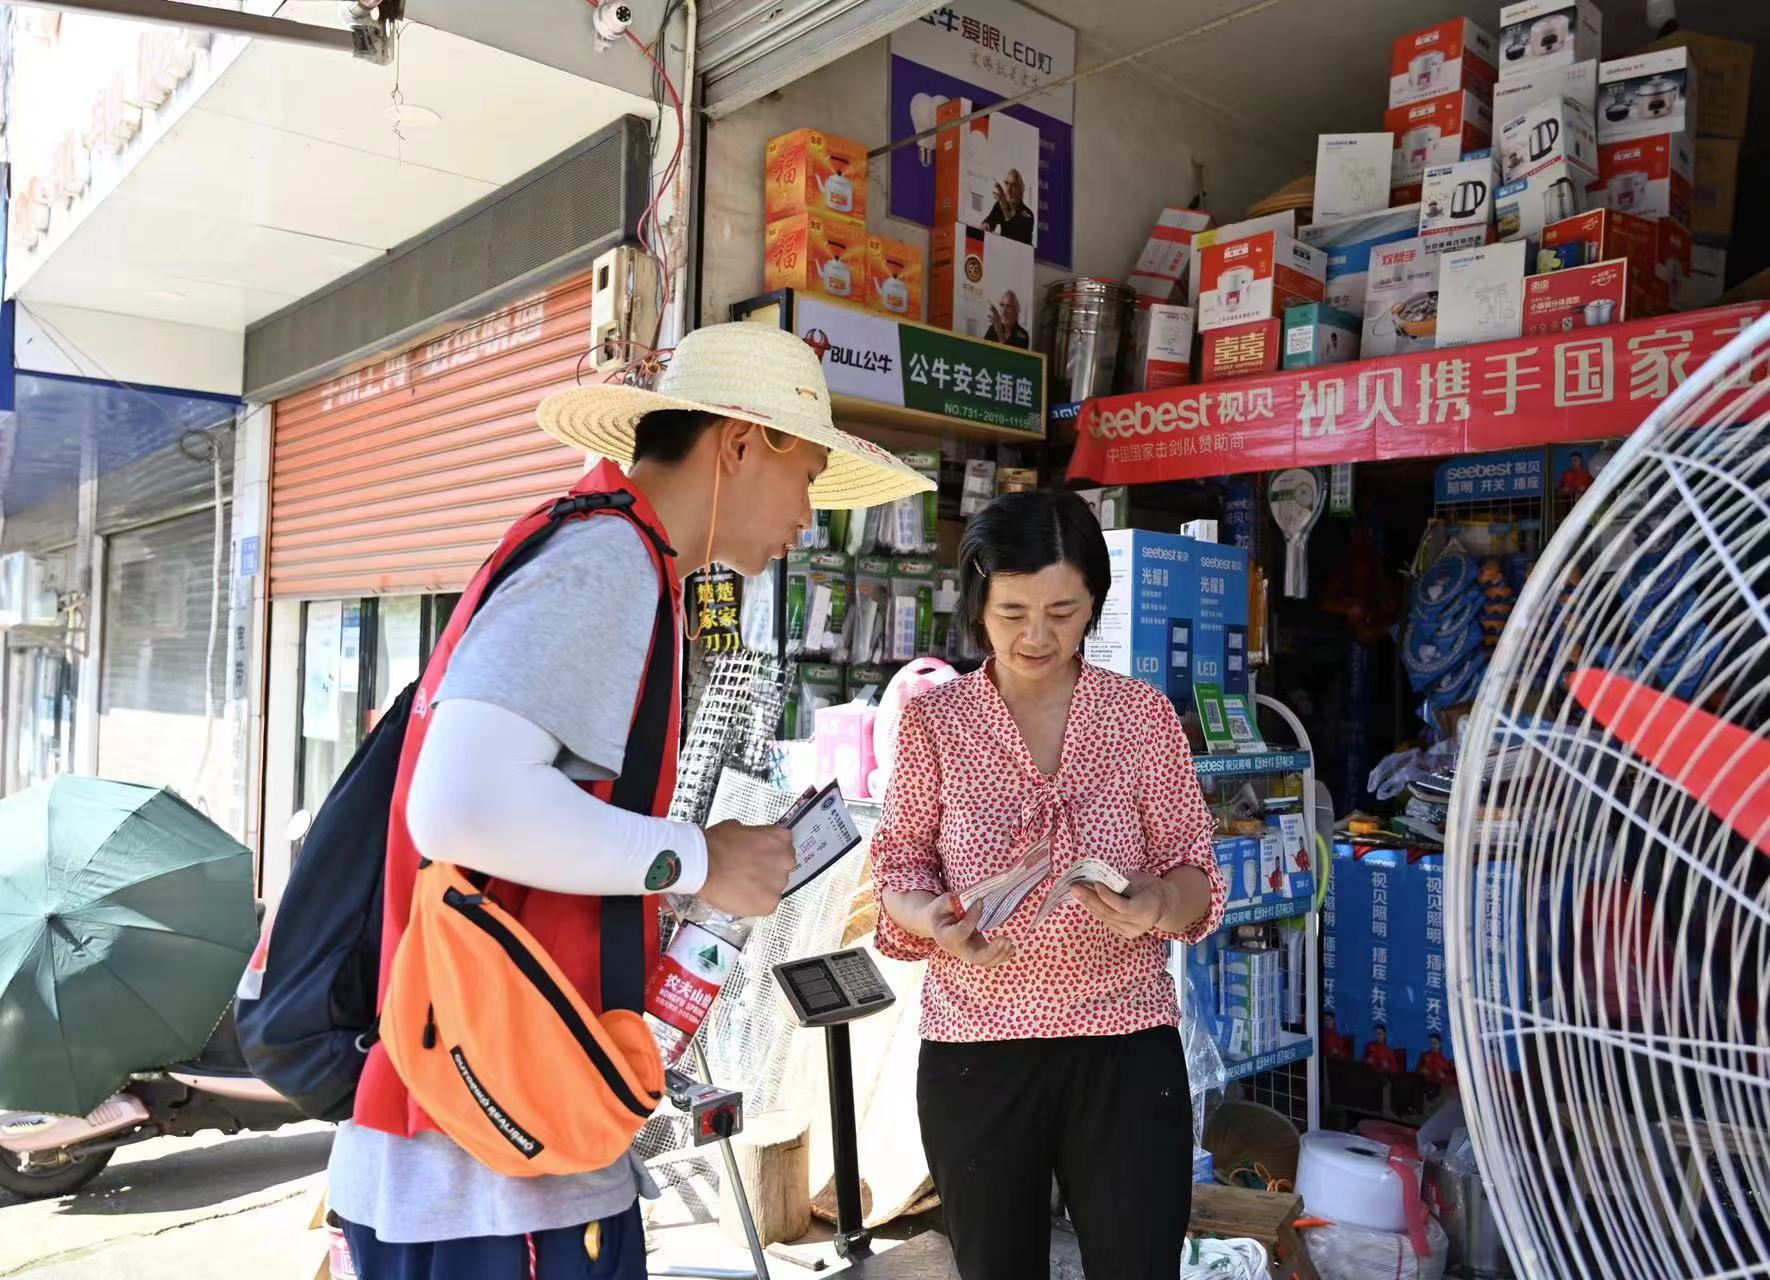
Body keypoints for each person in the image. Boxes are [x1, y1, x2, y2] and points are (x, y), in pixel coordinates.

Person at [329, 324, 934, 1280]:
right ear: (740, 445)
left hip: (501, 1136)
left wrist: (688, 865)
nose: (809, 517)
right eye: (808, 475)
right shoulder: (609, 560)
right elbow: (458, 808)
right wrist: (698, 857)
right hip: (490, 1166)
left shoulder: (611, 551)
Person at [871, 490, 1228, 1280]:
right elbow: (898, 865)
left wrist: (1156, 903)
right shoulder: (938, 721)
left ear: (1094, 603)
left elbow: (1198, 875)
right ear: (976, 605)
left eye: (1064, 611)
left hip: (1124, 1044)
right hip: (977, 1051)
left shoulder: (1141, 717)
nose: (1038, 635)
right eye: (1012, 611)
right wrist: (932, 918)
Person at [982, 168, 1035, 244]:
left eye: (1013, 185)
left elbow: (1016, 238)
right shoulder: (1000, 204)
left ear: (1020, 189)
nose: (1008, 189)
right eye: (1006, 183)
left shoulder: (1027, 214)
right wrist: (986, 225)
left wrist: (1005, 209)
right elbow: (990, 220)